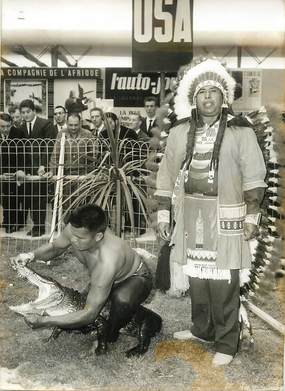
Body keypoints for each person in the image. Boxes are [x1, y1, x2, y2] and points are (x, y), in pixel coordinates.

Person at [155, 58, 267, 366]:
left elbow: (255, 175)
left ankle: (226, 343)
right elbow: (166, 172)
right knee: (197, 278)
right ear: (194, 98)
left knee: (223, 282)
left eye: (214, 92)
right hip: (192, 214)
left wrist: (252, 216)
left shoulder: (240, 131)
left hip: (228, 213)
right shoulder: (180, 132)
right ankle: (201, 329)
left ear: (224, 97)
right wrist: (164, 213)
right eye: (202, 92)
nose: (208, 97)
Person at [11, 204, 162, 356]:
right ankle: (126, 313)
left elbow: (89, 313)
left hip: (135, 278)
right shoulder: (75, 229)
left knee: (120, 302)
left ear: (98, 236)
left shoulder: (107, 261)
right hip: (106, 278)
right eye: (72, 235)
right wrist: (31, 255)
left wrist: (45, 322)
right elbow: (55, 248)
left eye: (79, 238)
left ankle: (112, 336)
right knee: (83, 308)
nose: (73, 241)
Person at [19, 99, 57, 237]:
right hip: (28, 169)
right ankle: (35, 226)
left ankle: (40, 228)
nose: (26, 115)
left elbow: (49, 146)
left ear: (34, 111)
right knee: (29, 197)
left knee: (39, 198)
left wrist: (43, 165)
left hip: (41, 167)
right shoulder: (22, 127)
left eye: (28, 112)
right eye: (23, 112)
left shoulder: (45, 124)